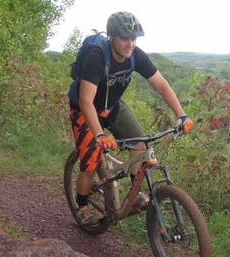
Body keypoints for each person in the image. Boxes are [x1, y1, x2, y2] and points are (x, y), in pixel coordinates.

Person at [68, 11, 193, 226]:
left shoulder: (136, 55)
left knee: (141, 145)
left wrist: (182, 115)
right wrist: (99, 134)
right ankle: (82, 207)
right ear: (112, 37)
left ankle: (134, 198)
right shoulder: (97, 56)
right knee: (89, 163)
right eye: (125, 38)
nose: (130, 44)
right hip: (85, 109)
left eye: (134, 38)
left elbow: (162, 85)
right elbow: (86, 100)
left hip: (113, 106)